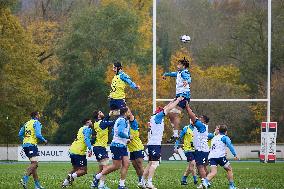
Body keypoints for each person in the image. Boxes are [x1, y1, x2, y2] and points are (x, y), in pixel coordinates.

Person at [141, 97, 184, 189]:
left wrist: (173, 100)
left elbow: (167, 107)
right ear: (160, 112)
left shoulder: (154, 117)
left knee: (150, 164)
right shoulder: (158, 116)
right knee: (155, 164)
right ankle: (149, 182)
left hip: (152, 143)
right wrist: (178, 101)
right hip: (155, 144)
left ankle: (142, 182)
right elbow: (168, 108)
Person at [92, 107, 132, 189]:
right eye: (129, 111)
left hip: (121, 145)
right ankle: (98, 177)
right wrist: (128, 137)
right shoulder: (121, 120)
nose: (130, 113)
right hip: (116, 146)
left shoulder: (122, 120)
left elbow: (114, 131)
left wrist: (125, 140)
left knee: (126, 163)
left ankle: (121, 185)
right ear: (125, 113)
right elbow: (120, 132)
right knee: (115, 166)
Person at [162, 57, 191, 142]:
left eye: (179, 64)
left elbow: (189, 78)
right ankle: (175, 133)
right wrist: (166, 74)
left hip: (183, 96)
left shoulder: (184, 72)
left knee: (174, 114)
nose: (177, 65)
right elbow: (173, 74)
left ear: (184, 66)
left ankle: (176, 135)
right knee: (170, 113)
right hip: (179, 96)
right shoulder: (179, 73)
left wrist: (187, 81)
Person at [202, 125, 239, 189]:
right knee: (229, 169)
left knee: (213, 172)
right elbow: (230, 145)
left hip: (211, 157)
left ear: (219, 131)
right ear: (226, 132)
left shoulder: (214, 137)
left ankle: (205, 181)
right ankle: (231, 186)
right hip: (220, 157)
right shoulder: (225, 137)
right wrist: (235, 154)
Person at [18, 111, 48, 189]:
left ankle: (37, 185)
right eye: (39, 114)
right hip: (31, 145)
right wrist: (44, 140)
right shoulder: (37, 122)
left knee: (34, 165)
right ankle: (24, 178)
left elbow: (20, 134)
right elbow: (38, 134)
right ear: (36, 116)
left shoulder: (27, 123)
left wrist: (25, 140)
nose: (39, 115)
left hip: (25, 145)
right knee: (35, 164)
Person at [61, 118, 93, 188]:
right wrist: (90, 148)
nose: (92, 122)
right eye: (91, 121)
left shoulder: (81, 128)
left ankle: (64, 184)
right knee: (83, 170)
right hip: (79, 152)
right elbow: (86, 139)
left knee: (75, 169)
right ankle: (71, 177)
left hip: (72, 150)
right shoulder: (88, 129)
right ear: (87, 122)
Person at [185, 105, 210, 189]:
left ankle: (204, 184)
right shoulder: (200, 126)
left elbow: (192, 116)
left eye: (201, 118)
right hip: (202, 149)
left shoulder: (201, 126)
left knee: (200, 167)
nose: (199, 118)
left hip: (201, 150)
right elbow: (193, 118)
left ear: (204, 121)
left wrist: (187, 107)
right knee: (203, 167)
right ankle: (207, 181)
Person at [92, 110, 115, 189]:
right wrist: (120, 117)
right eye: (101, 112)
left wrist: (109, 114)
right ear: (98, 115)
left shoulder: (96, 123)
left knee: (101, 168)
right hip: (100, 147)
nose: (102, 113)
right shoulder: (102, 123)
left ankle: (94, 183)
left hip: (97, 147)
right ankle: (101, 185)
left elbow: (105, 120)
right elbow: (113, 123)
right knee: (105, 167)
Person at [127, 111, 145, 187]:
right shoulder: (125, 126)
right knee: (135, 165)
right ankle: (140, 180)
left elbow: (130, 114)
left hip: (138, 147)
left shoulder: (133, 124)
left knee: (139, 164)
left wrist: (123, 102)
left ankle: (145, 181)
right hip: (131, 149)